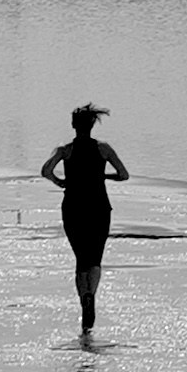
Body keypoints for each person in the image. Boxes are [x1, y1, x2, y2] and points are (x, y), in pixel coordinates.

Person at [41, 104, 130, 336]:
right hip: (99, 208)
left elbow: (46, 170)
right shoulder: (103, 149)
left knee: (81, 259)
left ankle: (84, 299)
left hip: (74, 208)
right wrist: (103, 176)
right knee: (95, 258)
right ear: (92, 126)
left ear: (73, 125)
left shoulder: (65, 150)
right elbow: (124, 175)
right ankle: (92, 295)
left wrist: (60, 182)